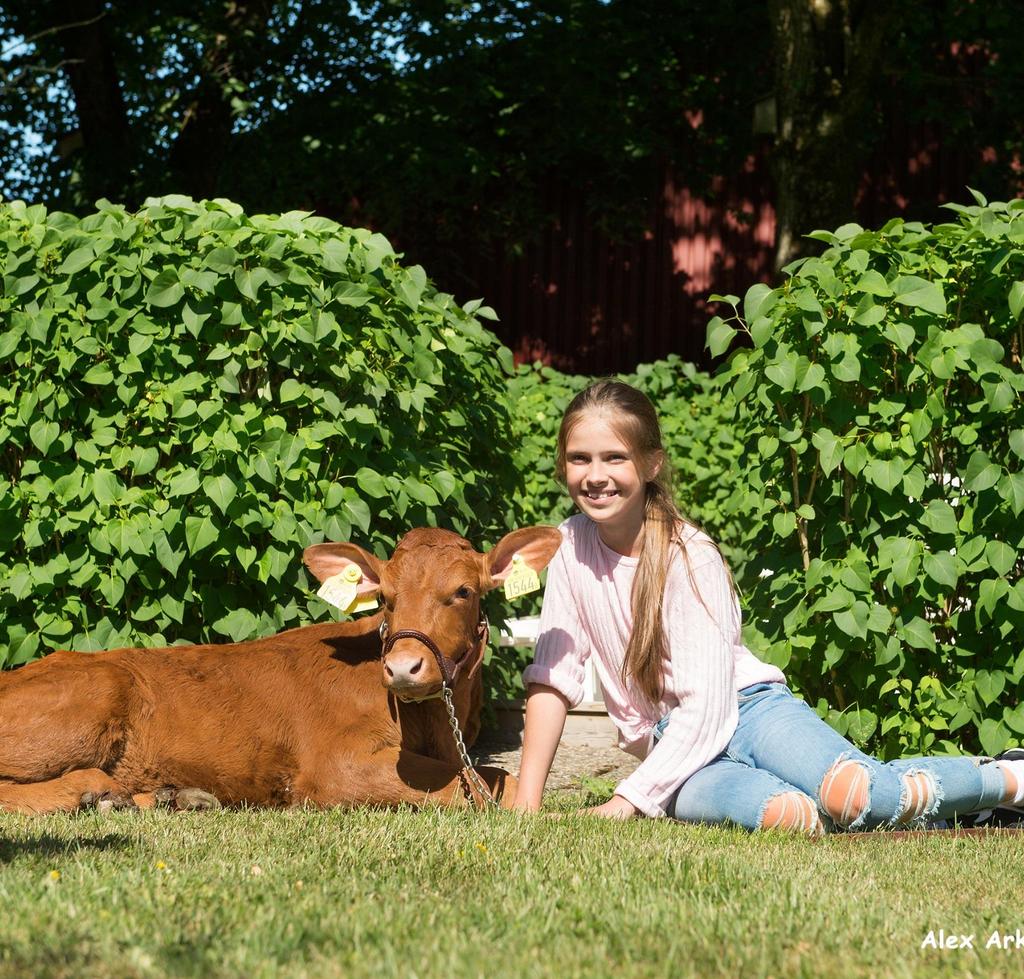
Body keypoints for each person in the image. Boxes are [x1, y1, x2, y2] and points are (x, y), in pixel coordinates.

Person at [512, 379, 1024, 832]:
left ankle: (1009, 779)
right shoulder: (568, 548)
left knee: (859, 794)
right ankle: (935, 811)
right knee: (786, 815)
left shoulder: (691, 558)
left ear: (651, 463)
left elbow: (709, 709)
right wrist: (527, 806)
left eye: (614, 458)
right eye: (580, 458)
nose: (595, 475)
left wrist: (629, 800)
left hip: (749, 710)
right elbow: (553, 675)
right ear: (563, 465)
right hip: (676, 750)